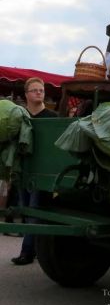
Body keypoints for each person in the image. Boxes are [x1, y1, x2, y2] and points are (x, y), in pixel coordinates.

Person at [11, 77, 57, 265]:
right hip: (24, 169)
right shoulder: (20, 116)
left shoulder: (52, 118)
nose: (39, 93)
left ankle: (27, 252)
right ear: (26, 94)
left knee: (34, 211)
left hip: (42, 172)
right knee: (27, 210)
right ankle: (36, 249)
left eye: (42, 90)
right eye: (35, 90)